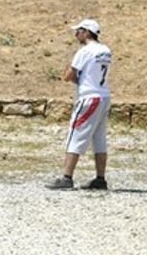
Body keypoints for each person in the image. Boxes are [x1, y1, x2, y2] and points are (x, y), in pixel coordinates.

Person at [46, 19, 112, 190]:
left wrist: (75, 76)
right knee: (99, 138)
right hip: (103, 96)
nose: (76, 35)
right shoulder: (105, 50)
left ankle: (67, 177)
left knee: (76, 133)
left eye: (79, 31)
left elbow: (69, 75)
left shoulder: (84, 51)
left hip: (88, 97)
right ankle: (100, 178)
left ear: (87, 32)